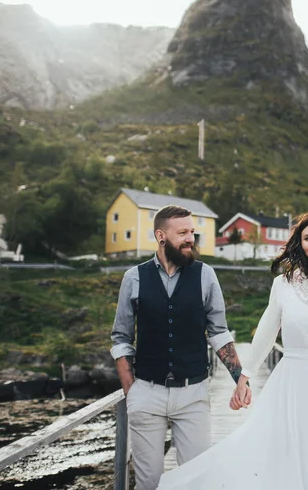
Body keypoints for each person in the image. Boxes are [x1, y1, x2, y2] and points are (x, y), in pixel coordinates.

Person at [156, 210, 308, 489]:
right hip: (292, 383)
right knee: (289, 454)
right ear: (299, 244)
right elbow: (265, 335)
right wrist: (243, 378)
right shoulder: (283, 285)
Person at [110, 205, 251, 490]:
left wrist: (240, 378)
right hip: (146, 395)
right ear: (161, 236)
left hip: (193, 394)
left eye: (193, 232)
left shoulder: (205, 275)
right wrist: (131, 390)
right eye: (183, 233)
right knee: (149, 483)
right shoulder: (134, 278)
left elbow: (219, 332)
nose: (191, 239)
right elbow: (121, 338)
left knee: (197, 480)